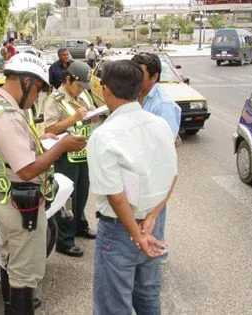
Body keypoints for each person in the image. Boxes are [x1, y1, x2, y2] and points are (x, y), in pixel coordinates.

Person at [0, 53, 86, 315]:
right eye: (36, 88)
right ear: (25, 81)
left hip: (2, 199)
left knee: (9, 260)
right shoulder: (7, 116)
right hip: (20, 205)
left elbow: (11, 148)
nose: (36, 96)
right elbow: (26, 170)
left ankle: (9, 308)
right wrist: (60, 146)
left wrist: (43, 138)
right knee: (25, 273)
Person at [87, 59, 178, 315]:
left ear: (105, 89)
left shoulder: (103, 136)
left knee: (113, 304)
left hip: (120, 229)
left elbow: (116, 196)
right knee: (148, 296)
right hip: (152, 224)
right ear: (140, 89)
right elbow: (173, 175)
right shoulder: (160, 125)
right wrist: (152, 218)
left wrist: (137, 234)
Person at [43, 61, 98, 257]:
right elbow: (49, 129)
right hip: (65, 157)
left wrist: (91, 114)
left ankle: (80, 226)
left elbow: (90, 113)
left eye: (84, 87)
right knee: (66, 198)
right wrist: (73, 119)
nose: (81, 90)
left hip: (82, 153)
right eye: (79, 86)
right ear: (68, 79)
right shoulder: (54, 100)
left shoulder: (82, 94)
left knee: (82, 193)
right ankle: (64, 240)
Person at [132, 53, 182, 263]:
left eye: (140, 73)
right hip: (138, 174)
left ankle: (155, 262)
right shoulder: (137, 96)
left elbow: (164, 149)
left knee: (154, 222)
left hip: (154, 178)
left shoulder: (163, 105)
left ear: (155, 77)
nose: (135, 77)